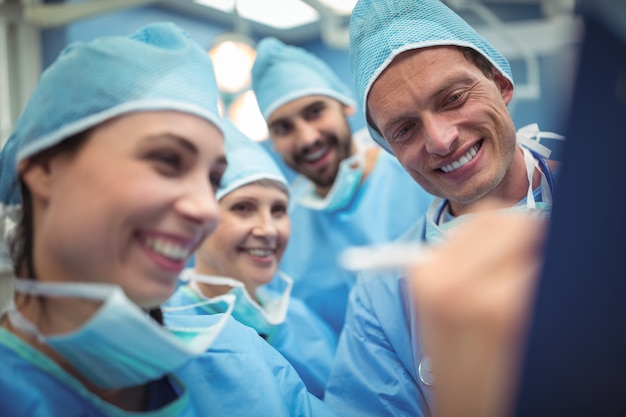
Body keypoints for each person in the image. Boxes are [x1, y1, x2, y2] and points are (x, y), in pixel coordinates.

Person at [0, 22, 335, 416]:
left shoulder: (240, 361)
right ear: (43, 170)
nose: (206, 210)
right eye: (166, 160)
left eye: (213, 180)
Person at [323, 0, 562, 415]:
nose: (439, 139)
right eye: (404, 128)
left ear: (500, 83)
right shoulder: (383, 298)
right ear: (391, 151)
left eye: (452, 97)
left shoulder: (608, 201)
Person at [250, 37, 435, 337]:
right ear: (272, 141)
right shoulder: (286, 231)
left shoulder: (422, 176)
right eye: (284, 128)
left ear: (345, 105)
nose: (307, 138)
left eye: (315, 112)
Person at [164, 120, 337, 399]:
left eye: (279, 210)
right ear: (199, 219)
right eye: (244, 208)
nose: (268, 229)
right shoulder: (172, 332)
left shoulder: (302, 319)